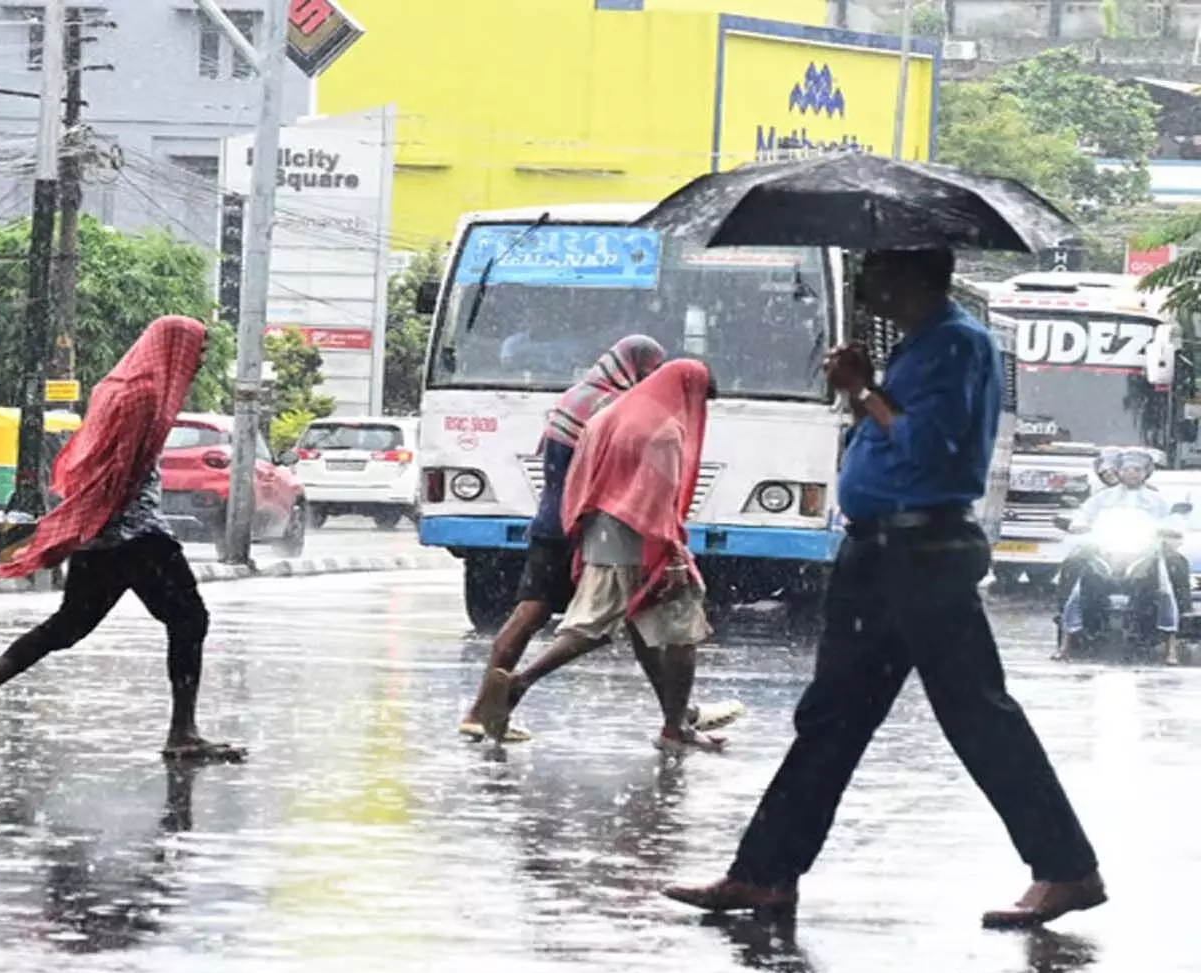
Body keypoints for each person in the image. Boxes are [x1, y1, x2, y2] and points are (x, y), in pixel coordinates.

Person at [663, 248, 1104, 929]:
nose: (864, 282)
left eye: (874, 270)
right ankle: (765, 874)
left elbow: (928, 446)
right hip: (879, 552)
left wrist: (864, 389)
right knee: (832, 719)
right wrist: (865, 389)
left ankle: (1067, 869)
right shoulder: (921, 346)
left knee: (977, 714)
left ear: (914, 277)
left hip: (922, 553)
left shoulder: (957, 344)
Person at [0, 316, 243, 763]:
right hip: (133, 531)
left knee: (69, 626)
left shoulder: (116, 386)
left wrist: (85, 527)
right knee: (190, 621)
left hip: (102, 533)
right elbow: (119, 471)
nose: (200, 358)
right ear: (174, 347)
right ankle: (182, 732)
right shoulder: (145, 395)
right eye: (197, 348)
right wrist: (100, 522)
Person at [472, 359, 726, 751]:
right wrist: (674, 553)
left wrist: (584, 528)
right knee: (679, 631)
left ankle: (675, 726)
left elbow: (578, 479)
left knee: (624, 627)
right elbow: (658, 501)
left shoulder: (608, 415)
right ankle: (519, 684)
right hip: (644, 541)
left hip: (600, 535)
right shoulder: (663, 431)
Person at [458, 336, 667, 742]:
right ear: (637, 368)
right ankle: (677, 718)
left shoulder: (576, 398)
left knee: (529, 616)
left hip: (550, 522)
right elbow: (607, 473)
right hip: (586, 528)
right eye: (651, 371)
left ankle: (480, 711)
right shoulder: (612, 408)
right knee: (632, 620)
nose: (653, 380)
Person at [1057, 448, 1183, 663]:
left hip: (1146, 549)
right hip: (1105, 548)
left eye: (1137, 469)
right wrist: (1078, 525)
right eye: (1127, 469)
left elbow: (1174, 521)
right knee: (1073, 564)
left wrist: (1168, 529)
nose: (1132, 473)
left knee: (1176, 566)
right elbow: (1083, 515)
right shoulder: (1102, 498)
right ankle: (1065, 640)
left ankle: (1173, 642)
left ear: (1146, 472)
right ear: (1118, 471)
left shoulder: (1157, 499)